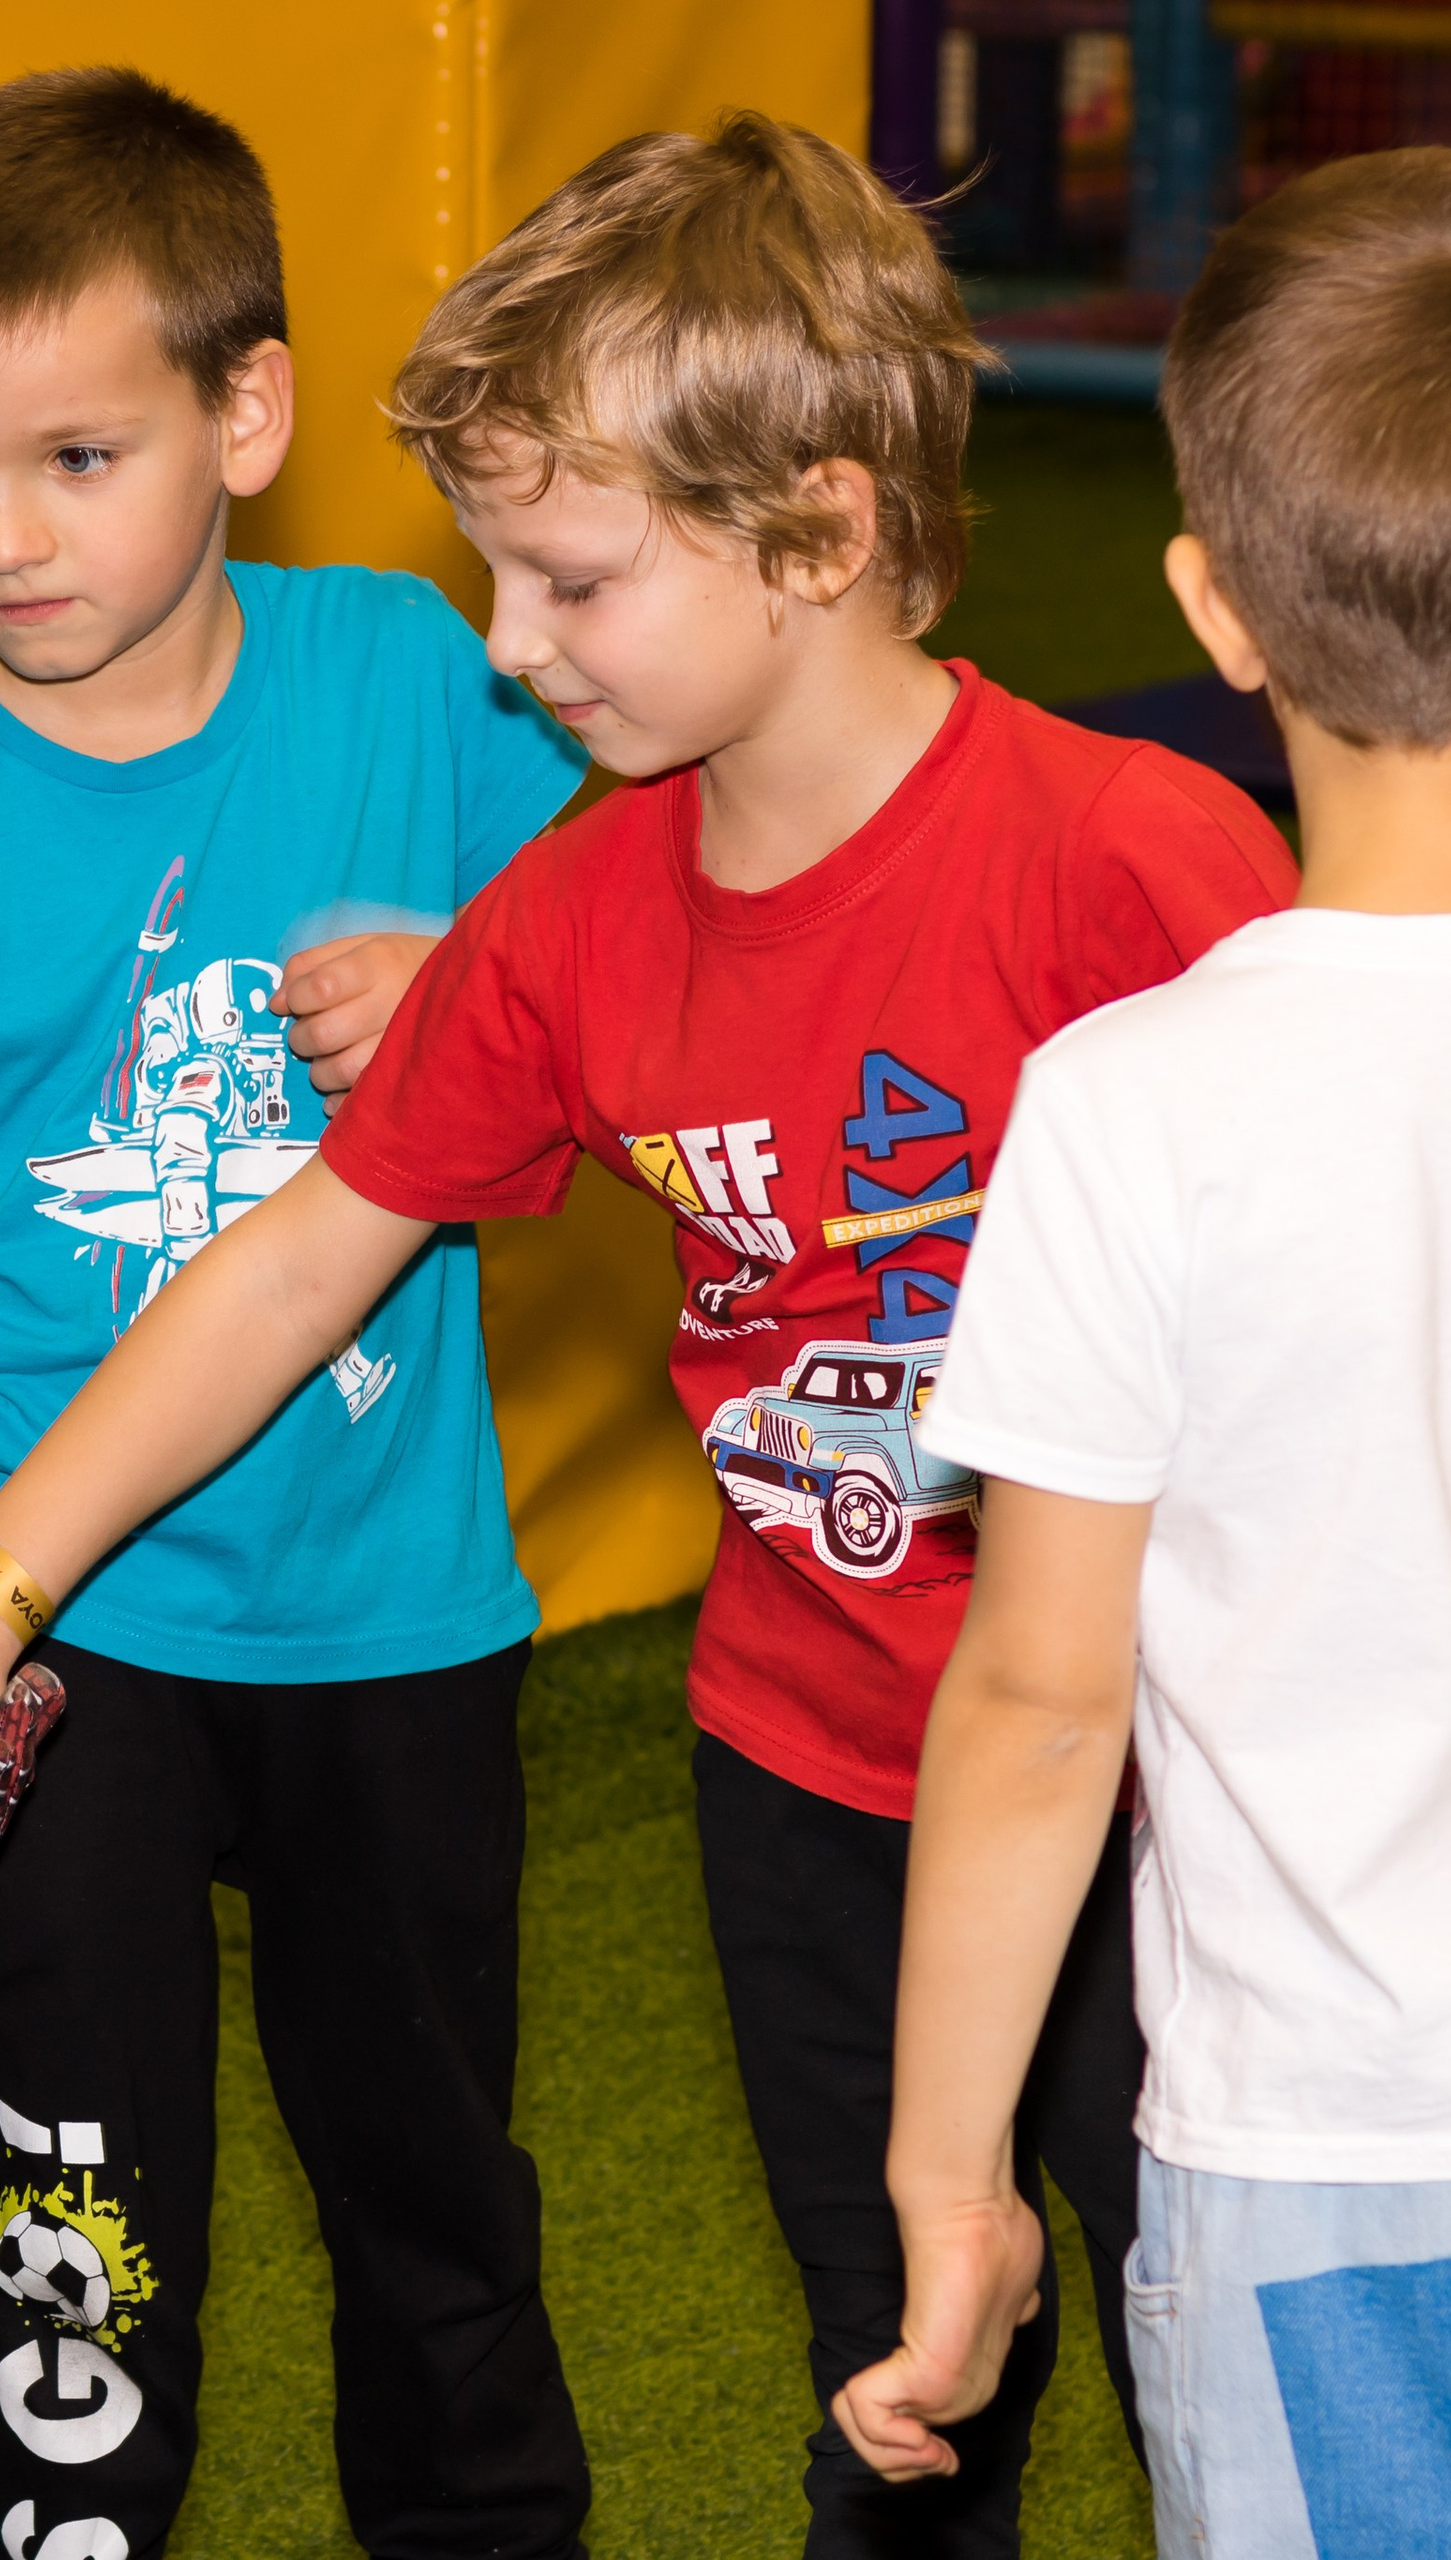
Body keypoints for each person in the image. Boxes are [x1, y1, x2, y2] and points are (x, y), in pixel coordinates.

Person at [0, 112, 1301, 2558]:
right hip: (808, 1760)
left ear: (819, 528)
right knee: (889, 2351)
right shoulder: (563, 924)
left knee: (1209, 2312)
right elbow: (278, 1262)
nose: (503, 643)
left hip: (1160, 1759)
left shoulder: (1121, 861)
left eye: (561, 577)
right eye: (491, 571)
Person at [0, 66, 595, 2560]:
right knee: (72, 2239)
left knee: (434, 2199)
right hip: (36, 1643)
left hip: (389, 1614)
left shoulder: (413, 681)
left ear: (246, 410)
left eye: (72, 458)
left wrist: (463, 972)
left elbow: (618, 983)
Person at [832, 151, 1451, 2560]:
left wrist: (949, 2175)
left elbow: (1031, 1698)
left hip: (1311, 2148)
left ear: (1205, 602)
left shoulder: (1124, 1104)